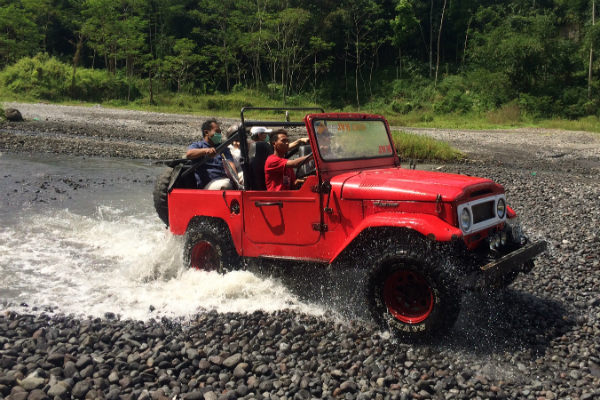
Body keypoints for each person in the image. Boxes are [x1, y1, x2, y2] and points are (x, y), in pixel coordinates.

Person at [186, 119, 236, 190]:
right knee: (225, 185)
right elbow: (189, 154)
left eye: (220, 133)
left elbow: (230, 163)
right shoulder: (198, 145)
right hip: (209, 183)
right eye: (217, 132)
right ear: (206, 132)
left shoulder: (223, 147)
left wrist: (236, 179)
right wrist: (205, 151)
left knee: (245, 177)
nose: (219, 135)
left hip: (226, 179)